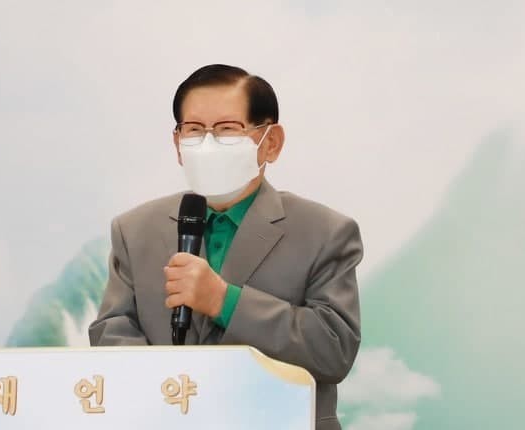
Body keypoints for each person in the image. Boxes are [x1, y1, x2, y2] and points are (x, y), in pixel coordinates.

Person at [89, 64, 363, 430]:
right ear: (177, 143)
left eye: (227, 130)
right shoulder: (134, 229)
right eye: (194, 130)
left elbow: (334, 349)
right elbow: (111, 332)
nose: (207, 144)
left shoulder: (326, 232)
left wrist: (224, 301)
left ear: (271, 142)